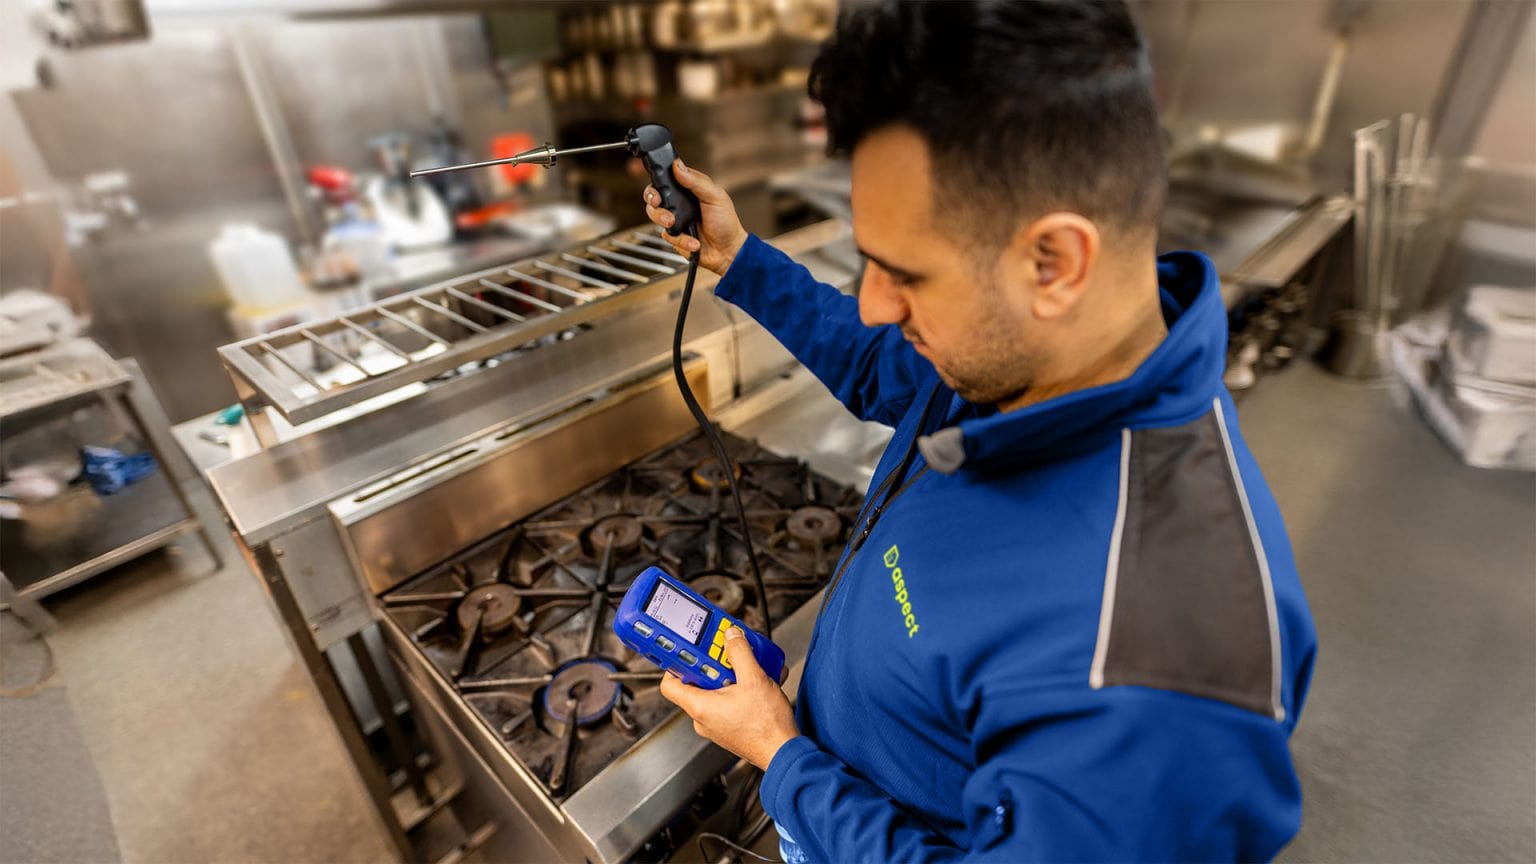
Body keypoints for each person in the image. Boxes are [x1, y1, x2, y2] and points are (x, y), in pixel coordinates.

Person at [647, 1, 1318, 860]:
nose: (874, 304)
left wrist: (784, 760)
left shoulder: (1159, 674)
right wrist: (743, 261)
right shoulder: (1037, 356)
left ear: (1055, 263)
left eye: (905, 273)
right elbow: (881, 365)